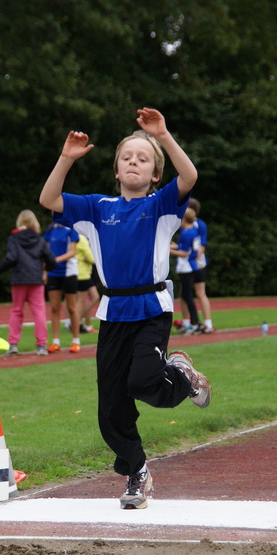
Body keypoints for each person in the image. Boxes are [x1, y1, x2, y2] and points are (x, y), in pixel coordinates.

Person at [39, 107, 212, 510]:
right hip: (113, 313)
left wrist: (163, 135)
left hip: (152, 308)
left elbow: (189, 177)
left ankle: (184, 377)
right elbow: (48, 198)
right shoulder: (96, 208)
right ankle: (136, 472)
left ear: (154, 174)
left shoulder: (161, 207)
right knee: (111, 407)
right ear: (116, 169)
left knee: (144, 382)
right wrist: (66, 158)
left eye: (143, 158)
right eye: (126, 157)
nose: (134, 161)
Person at [0, 209, 56, 356]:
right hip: (35, 279)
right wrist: (47, 269)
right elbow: (51, 259)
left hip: (19, 279)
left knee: (17, 311)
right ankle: (41, 345)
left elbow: (11, 258)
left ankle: (13, 344)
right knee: (39, 312)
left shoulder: (14, 238)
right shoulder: (39, 239)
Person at [44, 223, 81, 353]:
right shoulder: (50, 229)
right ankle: (55, 342)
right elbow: (46, 251)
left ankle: (76, 341)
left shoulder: (71, 230)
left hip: (69, 272)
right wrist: (45, 270)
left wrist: (55, 260)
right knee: (54, 307)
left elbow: (72, 252)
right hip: (53, 273)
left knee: (71, 307)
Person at [170, 207, 201, 335]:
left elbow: (183, 253)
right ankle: (193, 322)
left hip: (186, 267)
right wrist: (172, 246)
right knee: (186, 295)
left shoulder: (186, 234)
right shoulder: (193, 231)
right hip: (191, 265)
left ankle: (195, 323)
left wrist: (167, 250)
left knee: (187, 296)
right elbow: (185, 248)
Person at [64, 233, 100, 333]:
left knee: (88, 298)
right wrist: (92, 259)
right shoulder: (81, 238)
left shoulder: (71, 237)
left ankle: (77, 322)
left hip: (78, 273)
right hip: (82, 274)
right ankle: (75, 322)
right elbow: (91, 258)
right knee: (83, 300)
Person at [189, 197, 214, 333]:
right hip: (186, 263)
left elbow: (202, 245)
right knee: (185, 293)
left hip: (196, 263)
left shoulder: (199, 225)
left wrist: (194, 257)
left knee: (199, 292)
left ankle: (208, 322)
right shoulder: (180, 223)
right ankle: (188, 322)